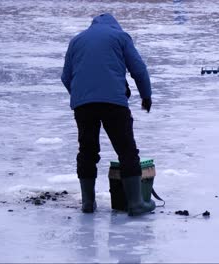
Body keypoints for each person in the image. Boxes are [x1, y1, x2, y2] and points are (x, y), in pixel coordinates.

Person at [61, 13, 155, 216]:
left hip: (83, 104)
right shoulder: (120, 37)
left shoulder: (76, 40)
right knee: (127, 151)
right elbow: (138, 69)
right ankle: (136, 204)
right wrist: (146, 96)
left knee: (87, 151)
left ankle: (87, 203)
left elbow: (65, 76)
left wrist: (80, 96)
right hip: (114, 102)